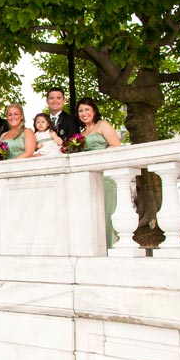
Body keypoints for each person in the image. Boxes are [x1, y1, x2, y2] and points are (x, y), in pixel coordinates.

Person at [77, 97, 121, 249]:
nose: (84, 113)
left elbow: (116, 146)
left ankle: (111, 247)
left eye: (87, 110)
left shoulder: (102, 125)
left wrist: (97, 158)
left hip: (105, 175)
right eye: (80, 111)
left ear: (94, 111)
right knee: (92, 215)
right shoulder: (81, 133)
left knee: (107, 213)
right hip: (89, 177)